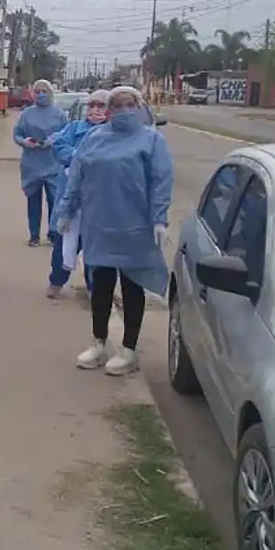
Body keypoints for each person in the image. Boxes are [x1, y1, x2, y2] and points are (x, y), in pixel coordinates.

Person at [56, 86, 173, 375]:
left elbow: (161, 180)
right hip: (99, 223)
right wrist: (66, 210)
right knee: (101, 284)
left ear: (139, 106)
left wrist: (159, 219)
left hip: (134, 225)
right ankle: (98, 342)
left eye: (129, 104)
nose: (123, 110)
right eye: (117, 105)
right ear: (110, 109)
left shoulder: (151, 140)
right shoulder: (95, 138)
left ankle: (129, 349)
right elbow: (77, 176)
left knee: (132, 285)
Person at [46, 89, 108, 298]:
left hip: (99, 201)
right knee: (63, 243)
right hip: (72, 197)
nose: (95, 110)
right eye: (92, 106)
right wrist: (78, 156)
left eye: (101, 106)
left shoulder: (113, 133)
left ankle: (94, 288)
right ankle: (56, 281)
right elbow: (59, 147)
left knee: (96, 248)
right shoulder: (73, 128)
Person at [13, 78, 68, 246]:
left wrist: (53, 140)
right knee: (33, 201)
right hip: (32, 164)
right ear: (33, 94)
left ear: (50, 93)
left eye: (44, 91)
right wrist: (25, 142)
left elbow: (66, 133)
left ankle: (53, 232)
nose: (41, 94)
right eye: (38, 91)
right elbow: (17, 134)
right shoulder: (26, 114)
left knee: (54, 200)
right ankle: (34, 235)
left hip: (53, 163)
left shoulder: (59, 114)